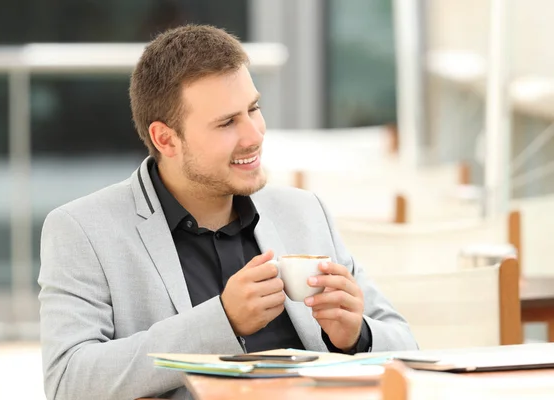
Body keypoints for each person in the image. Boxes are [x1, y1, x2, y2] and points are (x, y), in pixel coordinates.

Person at [38, 24, 417, 400]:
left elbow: (407, 345)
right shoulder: (82, 230)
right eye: (227, 123)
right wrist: (222, 320)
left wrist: (355, 336)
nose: (254, 134)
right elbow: (68, 381)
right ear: (165, 139)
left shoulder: (305, 211)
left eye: (253, 108)